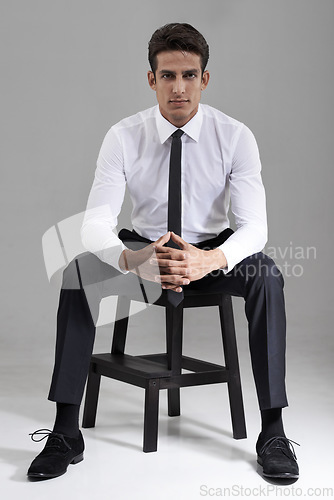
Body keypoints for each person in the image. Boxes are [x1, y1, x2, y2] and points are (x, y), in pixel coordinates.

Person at [27, 23, 299, 481]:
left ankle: (273, 429)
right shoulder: (123, 136)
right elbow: (95, 222)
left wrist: (208, 260)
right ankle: (65, 430)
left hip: (209, 251)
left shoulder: (235, 137)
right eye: (168, 76)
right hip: (143, 247)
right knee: (78, 273)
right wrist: (135, 260)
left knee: (267, 275)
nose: (179, 88)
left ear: (204, 79)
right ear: (151, 79)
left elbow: (256, 227)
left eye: (189, 75)